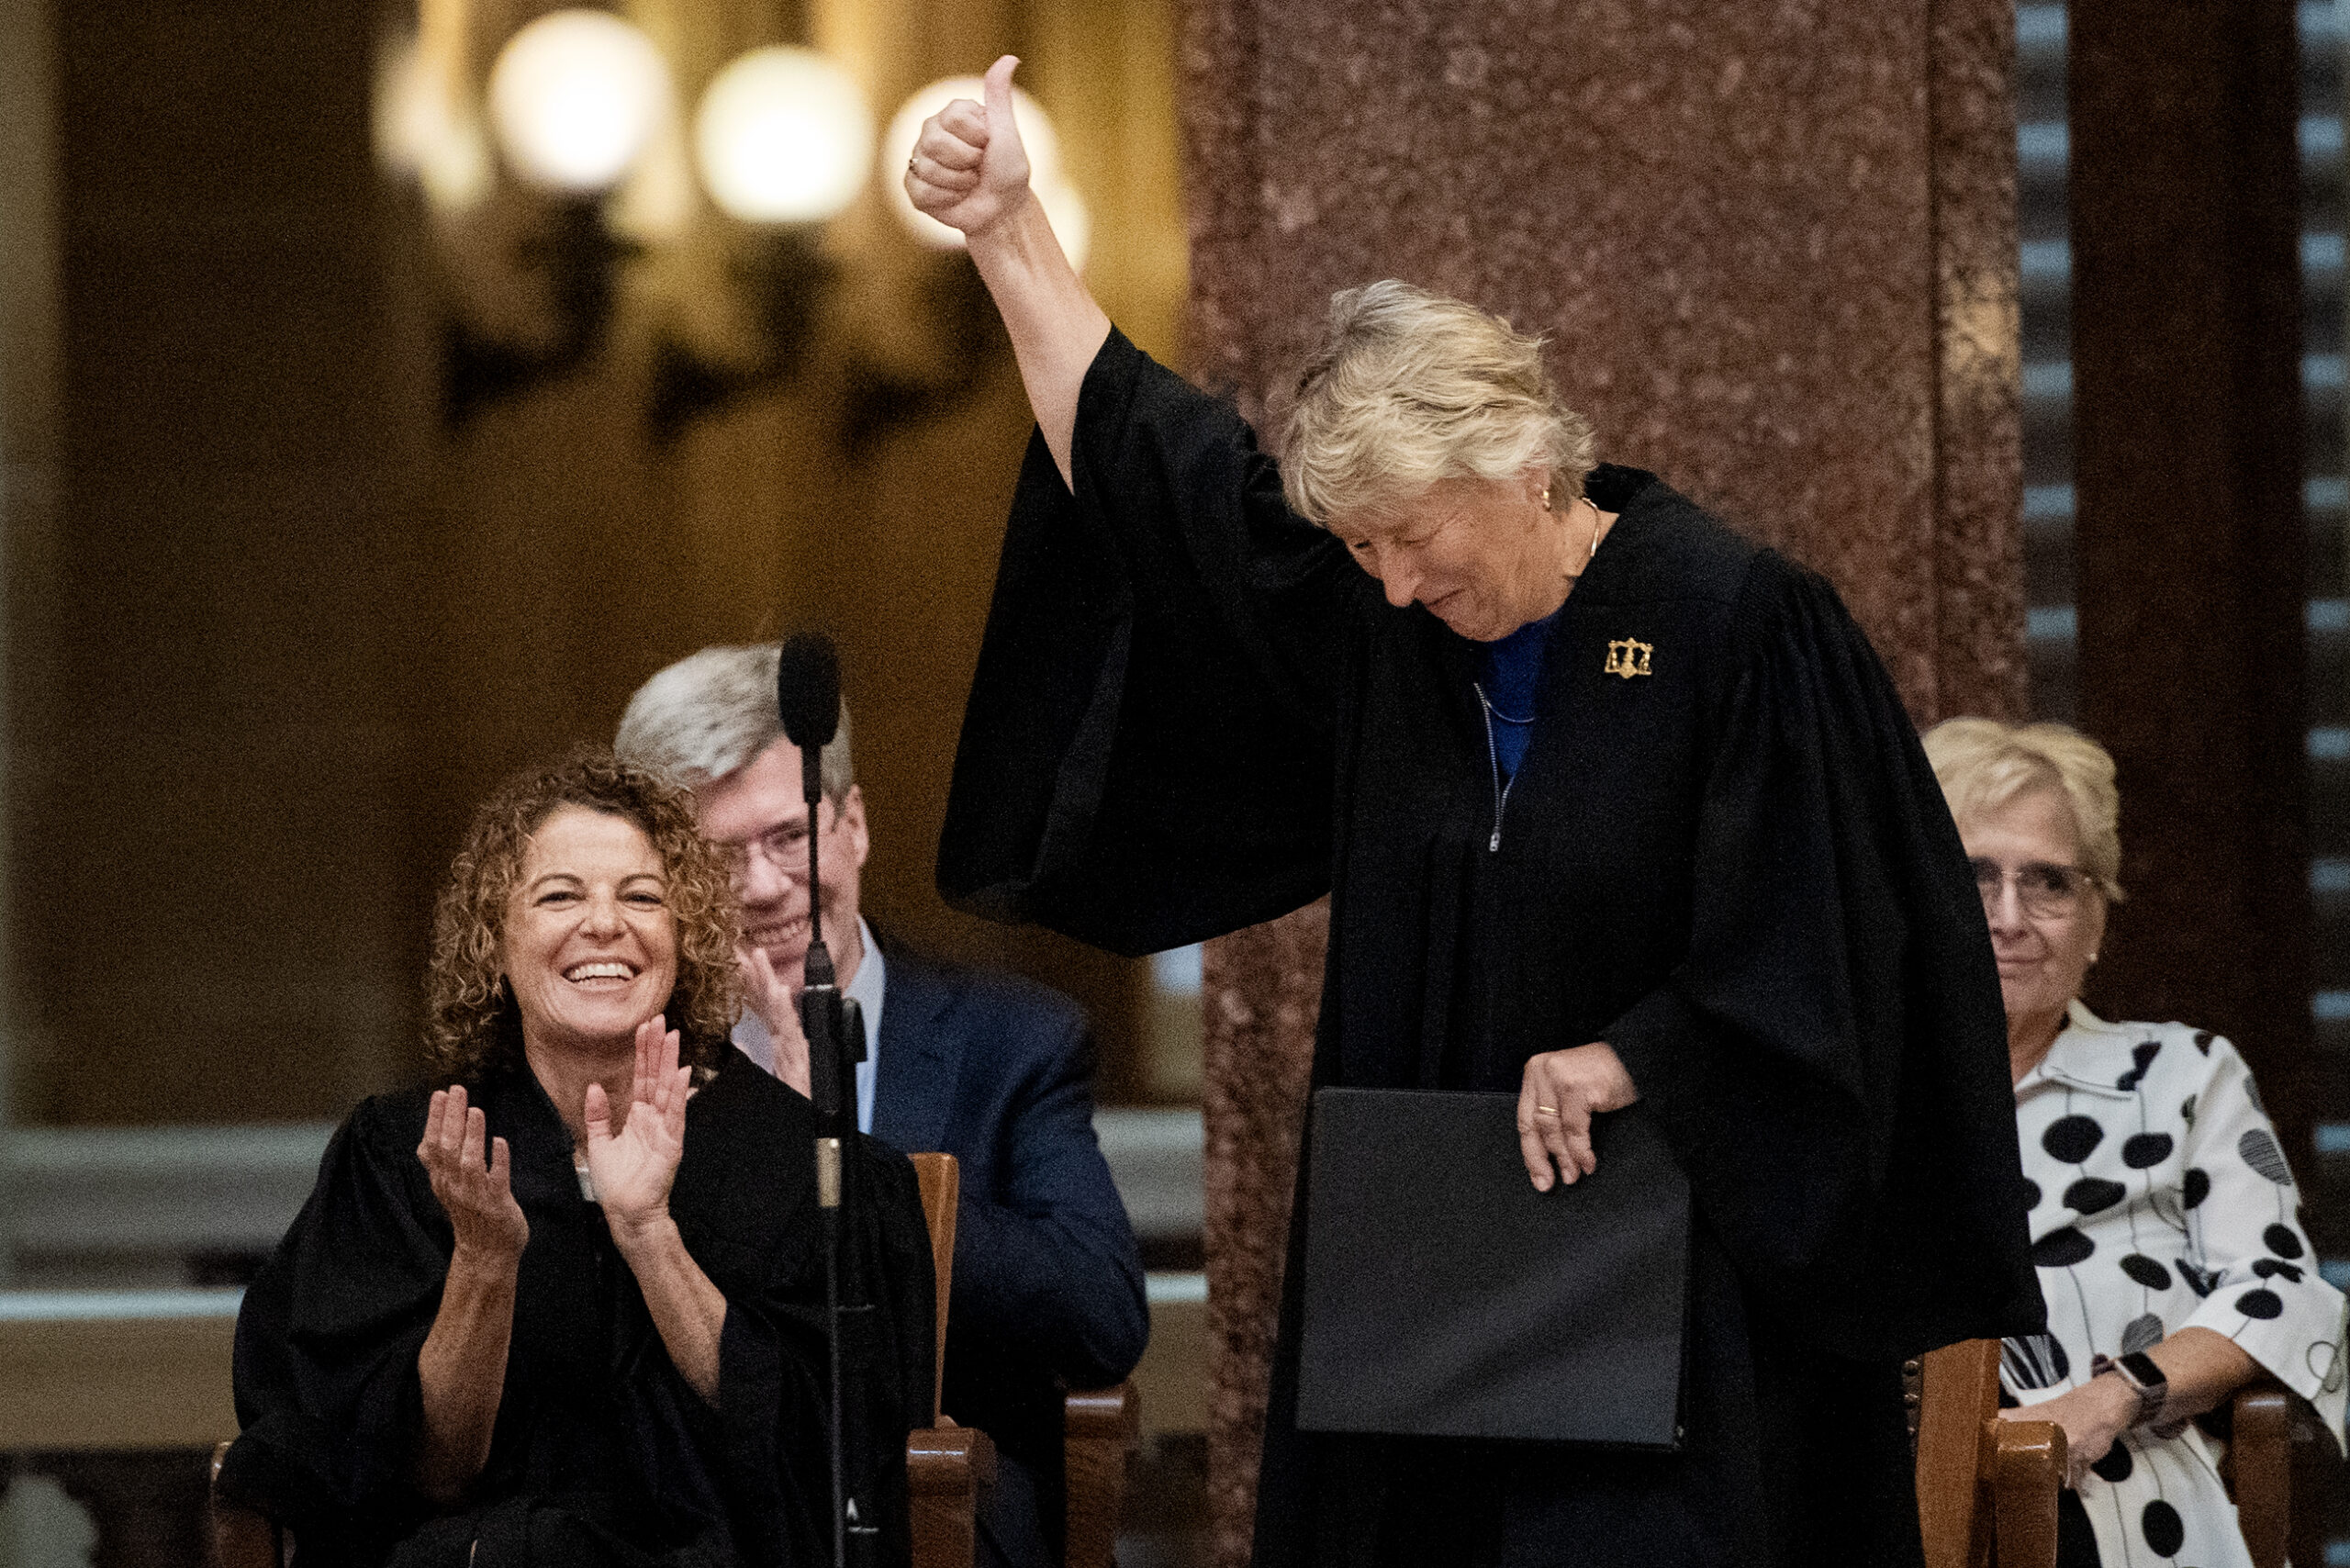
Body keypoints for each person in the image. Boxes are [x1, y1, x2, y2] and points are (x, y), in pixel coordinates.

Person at [909, 57, 2044, 1568]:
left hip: (1675, 1294)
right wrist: (1006, 229)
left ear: (1522, 461)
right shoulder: (1387, 626)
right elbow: (1146, 463)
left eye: (1409, 535)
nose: (1387, 580)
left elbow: (1842, 941)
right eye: (1359, 543)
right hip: (1424, 1289)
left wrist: (1636, 1054)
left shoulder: (1739, 626)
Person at [219, 752, 935, 1568]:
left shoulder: (803, 1164)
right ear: (495, 939)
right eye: (560, 895)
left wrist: (647, 1232)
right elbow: (412, 1474)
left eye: (642, 896)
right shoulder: (408, 1156)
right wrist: (485, 1264)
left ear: (686, 937)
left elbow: (818, 1463)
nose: (605, 923)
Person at [616, 647, 1147, 1568]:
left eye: (790, 836)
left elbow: (1100, 1314)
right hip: (695, 1507)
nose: (763, 886)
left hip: (932, 1494)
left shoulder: (1011, 1042)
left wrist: (837, 1159)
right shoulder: (626, 1055)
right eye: (716, 856)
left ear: (852, 824)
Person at [1922, 717, 2348, 1568]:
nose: (2008, 918)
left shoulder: (2180, 1076)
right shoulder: (1847, 1097)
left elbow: (2280, 1288)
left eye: (2048, 883)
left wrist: (2113, 1397)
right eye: (1973, 875)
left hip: (2115, 1498)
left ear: (2095, 923)